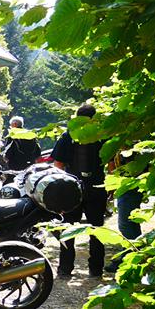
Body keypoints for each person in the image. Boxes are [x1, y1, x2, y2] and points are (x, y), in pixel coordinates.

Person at [51, 103, 108, 279]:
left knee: (68, 229)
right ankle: (96, 270)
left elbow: (58, 165)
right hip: (97, 188)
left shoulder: (68, 136)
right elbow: (112, 163)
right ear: (94, 117)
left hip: (72, 190)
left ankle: (65, 269)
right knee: (96, 230)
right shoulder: (102, 135)